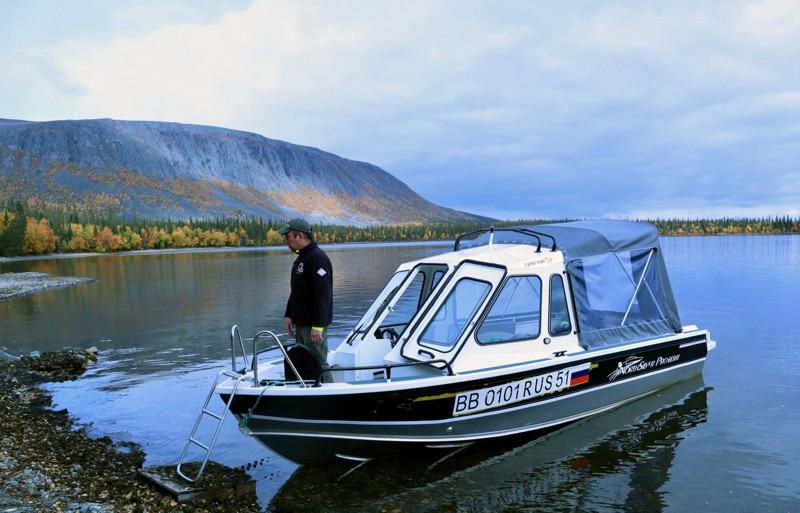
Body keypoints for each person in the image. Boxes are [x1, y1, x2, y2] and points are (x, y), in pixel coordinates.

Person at [278, 218, 333, 382]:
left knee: (319, 363)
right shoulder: (301, 259)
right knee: (305, 363)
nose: (286, 241)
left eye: (288, 237)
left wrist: (318, 326)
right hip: (301, 324)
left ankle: (332, 397)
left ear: (300, 236)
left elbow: (323, 295)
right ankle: (313, 396)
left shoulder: (317, 258)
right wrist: (289, 315)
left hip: (313, 327)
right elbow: (297, 291)